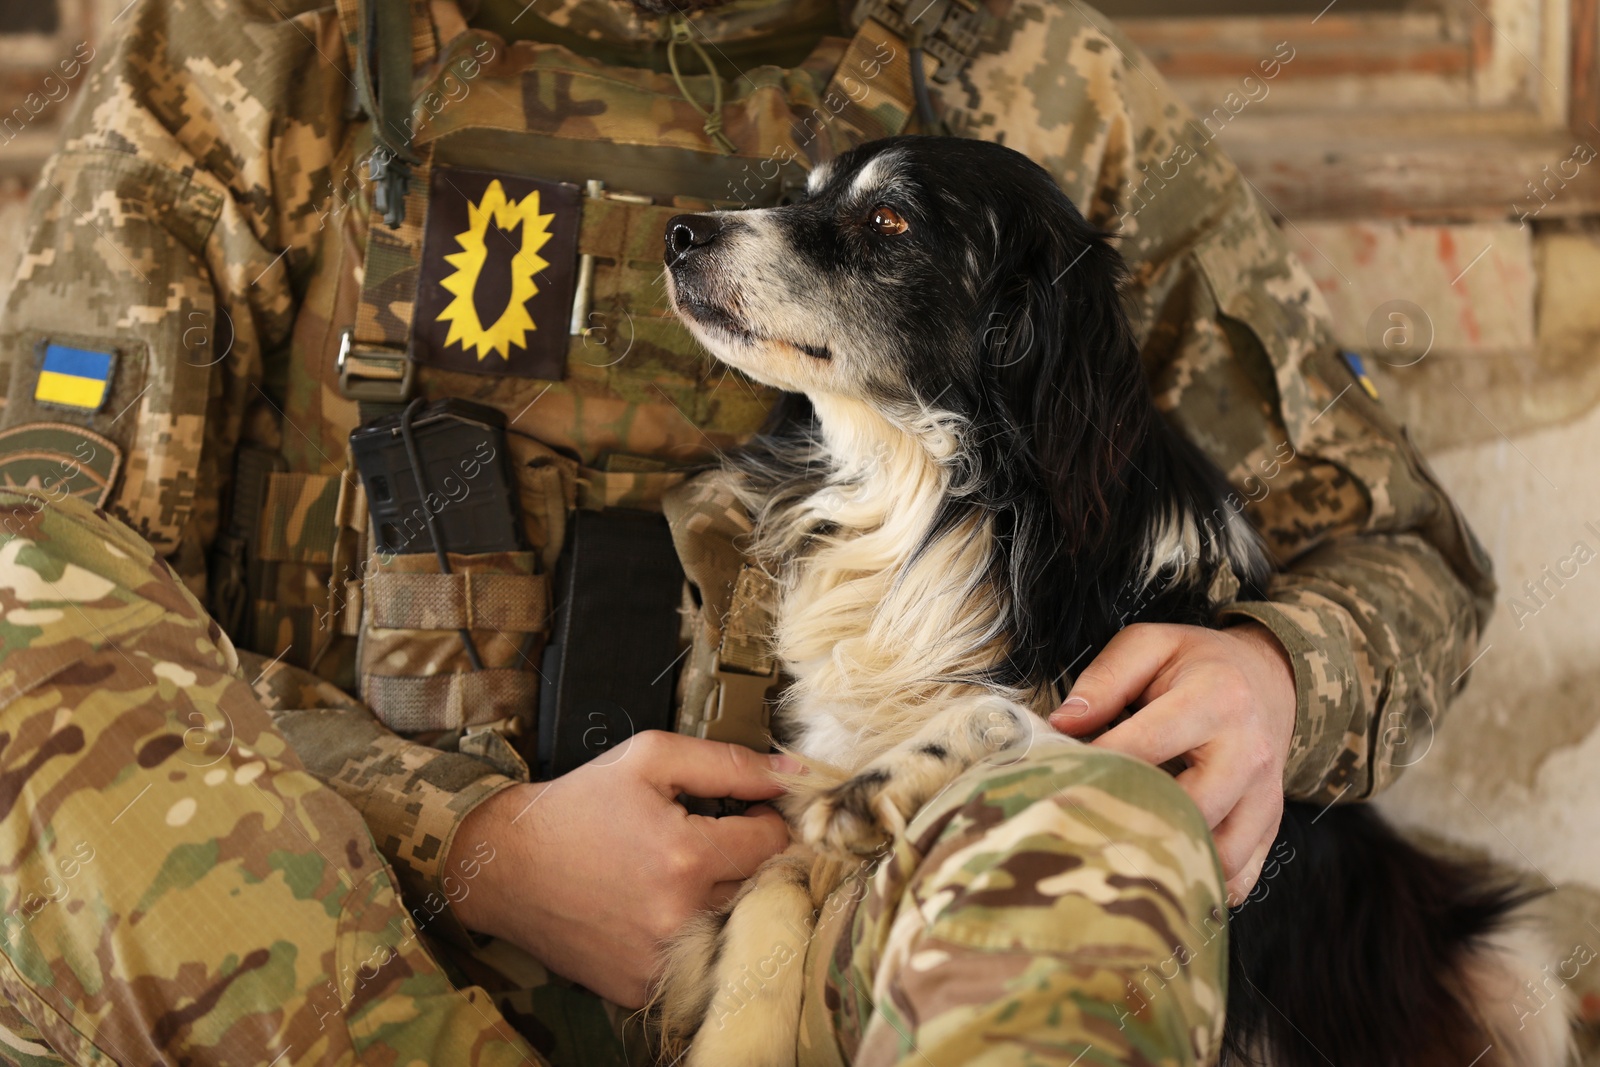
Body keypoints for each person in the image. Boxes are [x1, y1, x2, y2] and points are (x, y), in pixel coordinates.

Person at [0, 0, 1493, 1062]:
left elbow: (1402, 551)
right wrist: (468, 839)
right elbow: (48, 600)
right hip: (338, 956)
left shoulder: (1028, 77)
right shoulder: (257, 50)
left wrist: (1282, 678)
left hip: (835, 937)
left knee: (1094, 835)